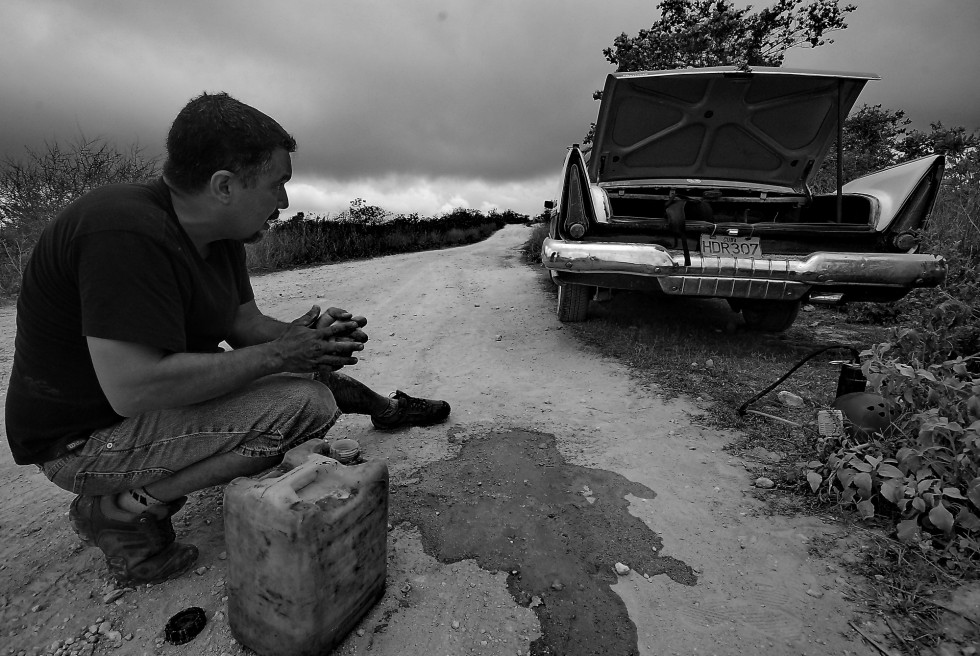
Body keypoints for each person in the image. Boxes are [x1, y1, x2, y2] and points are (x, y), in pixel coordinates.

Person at [4, 91, 450, 585]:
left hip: (136, 414)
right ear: (224, 186)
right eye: (278, 184)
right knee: (307, 405)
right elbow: (133, 388)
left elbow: (244, 326)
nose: (283, 201)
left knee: (311, 375)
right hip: (84, 441)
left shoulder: (221, 238)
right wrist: (281, 353)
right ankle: (124, 510)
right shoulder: (122, 231)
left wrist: (308, 339)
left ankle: (384, 408)